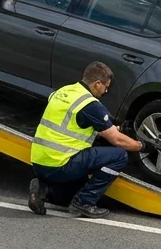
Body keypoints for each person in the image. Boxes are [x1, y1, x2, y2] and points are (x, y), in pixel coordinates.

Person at [27, 62, 144, 218]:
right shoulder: (90, 105)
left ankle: (44, 188)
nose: (106, 91)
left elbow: (73, 122)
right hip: (61, 164)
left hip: (39, 161)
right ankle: (84, 203)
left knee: (70, 195)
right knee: (119, 155)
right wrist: (140, 146)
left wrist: (103, 128)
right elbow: (117, 141)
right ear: (97, 84)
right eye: (105, 87)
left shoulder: (63, 91)